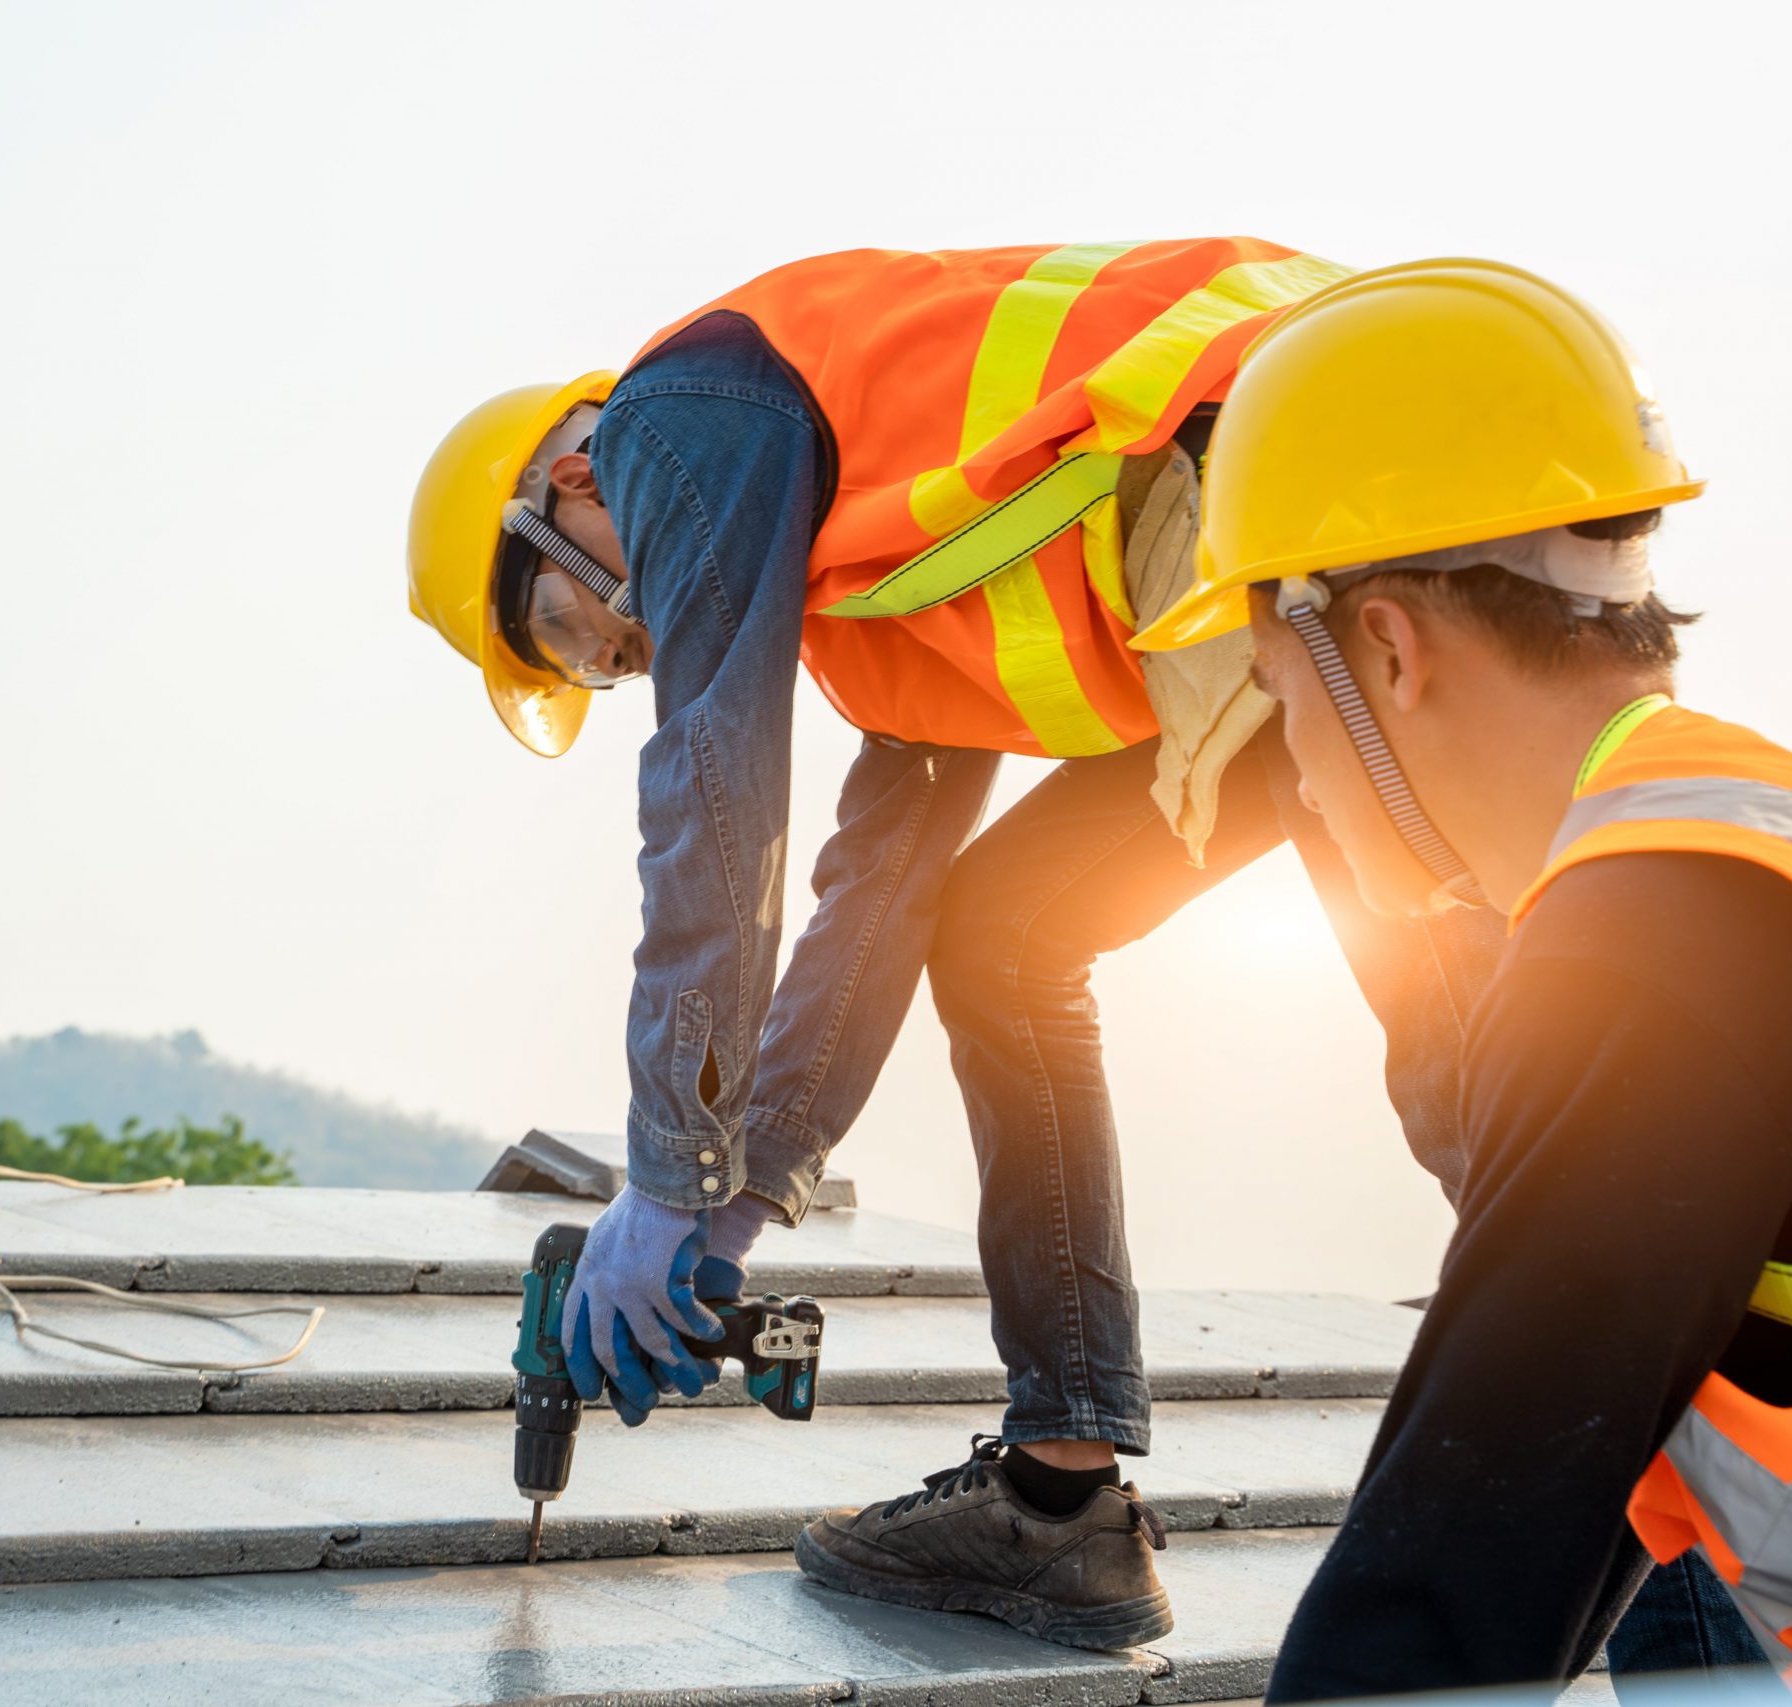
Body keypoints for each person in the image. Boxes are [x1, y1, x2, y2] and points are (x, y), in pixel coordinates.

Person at [406, 239, 1502, 1648]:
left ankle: (1691, 1485)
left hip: (1321, 481)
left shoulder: (678, 417)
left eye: (586, 632)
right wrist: (744, 1192)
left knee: (1464, 1047)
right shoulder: (870, 566)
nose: (631, 663)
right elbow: (877, 898)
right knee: (1001, 939)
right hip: (1248, 569)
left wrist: (671, 1169)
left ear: (572, 483)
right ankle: (1063, 1505)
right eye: (599, 673)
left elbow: (718, 800)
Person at [1136, 257, 1792, 1695]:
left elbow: (1441, 1604)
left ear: (1383, 649)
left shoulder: (1643, 952)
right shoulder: (1765, 843)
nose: (1291, 767)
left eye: (1277, 699)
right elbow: (1583, 1449)